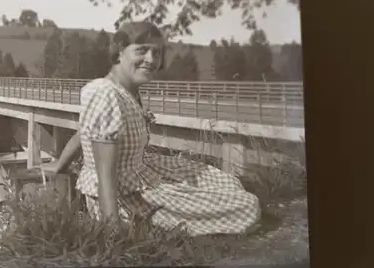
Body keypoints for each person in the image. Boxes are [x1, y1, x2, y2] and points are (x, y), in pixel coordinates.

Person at [41, 21, 261, 236]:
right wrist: (112, 227)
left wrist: (60, 165)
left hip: (142, 172)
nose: (151, 59)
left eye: (157, 53)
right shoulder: (104, 92)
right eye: (142, 51)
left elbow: (83, 134)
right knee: (248, 206)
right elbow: (105, 174)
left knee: (228, 182)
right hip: (126, 194)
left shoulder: (127, 90)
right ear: (118, 52)